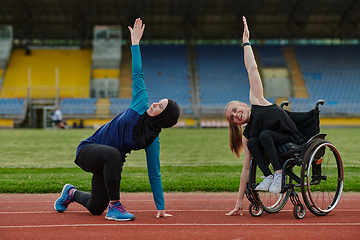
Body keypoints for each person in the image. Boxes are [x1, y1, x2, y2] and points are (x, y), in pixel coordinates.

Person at [54, 18, 180, 221]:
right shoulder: (141, 103)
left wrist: (161, 207)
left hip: (107, 163)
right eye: (158, 101)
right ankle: (115, 207)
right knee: (114, 154)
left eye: (160, 106)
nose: (154, 103)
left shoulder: (152, 139)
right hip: (88, 151)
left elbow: (154, 174)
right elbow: (137, 73)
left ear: (163, 118)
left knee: (95, 207)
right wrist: (135, 43)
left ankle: (70, 193)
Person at [225, 16, 304, 216]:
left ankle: (277, 175)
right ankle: (268, 176)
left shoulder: (257, 99)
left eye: (234, 110)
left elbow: (252, 69)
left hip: (292, 141)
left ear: (242, 104)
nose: (235, 115)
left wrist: (246, 43)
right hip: (272, 145)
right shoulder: (247, 134)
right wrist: (239, 201)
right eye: (232, 117)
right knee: (253, 142)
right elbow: (245, 170)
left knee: (264, 135)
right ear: (236, 123)